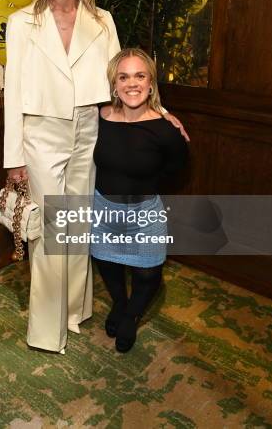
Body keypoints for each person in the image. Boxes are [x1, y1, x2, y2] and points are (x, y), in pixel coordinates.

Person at [3, 0, 187, 354]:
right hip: (41, 134)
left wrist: (160, 113)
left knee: (80, 230)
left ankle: (75, 311)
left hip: (89, 131)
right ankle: (47, 330)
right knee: (50, 235)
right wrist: (14, 157)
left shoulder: (102, 20)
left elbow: (124, 79)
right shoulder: (21, 22)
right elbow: (13, 92)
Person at [90, 48, 188, 352]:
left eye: (139, 76)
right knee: (107, 264)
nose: (132, 84)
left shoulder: (166, 128)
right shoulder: (99, 118)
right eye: (124, 76)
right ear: (114, 85)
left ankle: (131, 316)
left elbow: (177, 167)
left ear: (150, 83)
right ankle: (119, 304)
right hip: (103, 210)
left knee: (148, 273)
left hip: (144, 213)